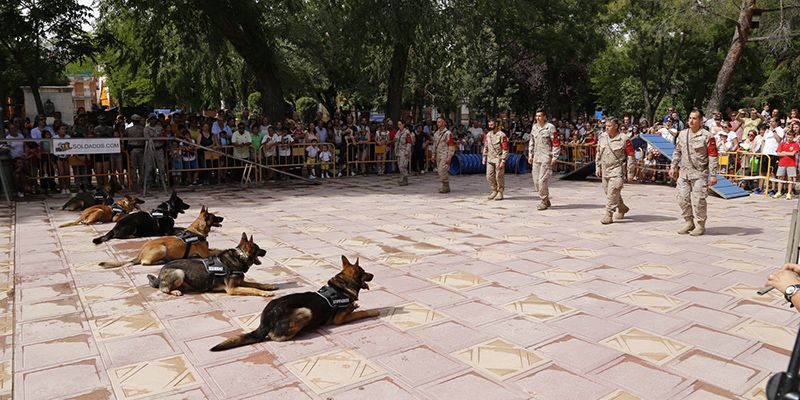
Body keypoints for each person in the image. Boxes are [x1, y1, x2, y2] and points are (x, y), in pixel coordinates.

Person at [668, 110, 719, 236]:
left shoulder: (707, 136)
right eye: (690, 118)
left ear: (701, 120)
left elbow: (713, 155)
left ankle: (700, 225)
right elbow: (677, 151)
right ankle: (689, 221)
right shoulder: (682, 134)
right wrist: (673, 166)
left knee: (698, 201)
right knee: (682, 198)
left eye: (694, 118)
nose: (691, 121)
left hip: (699, 173)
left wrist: (713, 174)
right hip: (684, 172)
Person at [595, 118, 635, 224]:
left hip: (617, 169)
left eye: (609, 126)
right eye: (606, 126)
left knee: (613, 191)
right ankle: (622, 207)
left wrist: (630, 172)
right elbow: (598, 152)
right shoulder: (602, 137)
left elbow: (631, 156)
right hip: (605, 169)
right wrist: (597, 166)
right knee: (609, 192)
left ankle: (609, 214)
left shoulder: (624, 138)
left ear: (616, 126)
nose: (606, 128)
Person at [528, 109, 560, 210]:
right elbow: (531, 141)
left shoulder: (550, 127)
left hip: (546, 157)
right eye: (536, 116)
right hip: (536, 157)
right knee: (536, 181)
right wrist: (530, 154)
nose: (538, 118)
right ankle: (546, 200)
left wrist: (555, 156)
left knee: (542, 181)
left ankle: (543, 201)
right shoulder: (534, 127)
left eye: (540, 116)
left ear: (544, 117)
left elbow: (555, 142)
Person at [482, 118, 509, 201]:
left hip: (498, 158)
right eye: (489, 125)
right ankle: (494, 190)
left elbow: (505, 149)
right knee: (489, 176)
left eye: (491, 125)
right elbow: (486, 146)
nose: (490, 126)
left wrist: (503, 160)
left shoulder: (502, 135)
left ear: (496, 124)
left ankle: (500, 192)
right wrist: (484, 157)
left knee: (499, 176)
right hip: (490, 158)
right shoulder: (488, 135)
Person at [432, 117, 455, 193]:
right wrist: (433, 154)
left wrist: (449, 156)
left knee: (442, 170)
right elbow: (434, 145)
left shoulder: (448, 133)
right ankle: (445, 185)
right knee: (439, 170)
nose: (438, 123)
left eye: (440, 122)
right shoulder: (436, 134)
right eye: (437, 122)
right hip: (438, 154)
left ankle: (445, 185)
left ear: (444, 123)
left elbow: (451, 145)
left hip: (445, 154)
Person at [774, 130, 799, 199]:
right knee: (780, 178)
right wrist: (787, 153)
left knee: (790, 178)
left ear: (793, 137)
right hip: (782, 163)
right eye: (788, 137)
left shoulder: (795, 144)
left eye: (790, 137)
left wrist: (784, 152)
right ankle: (779, 192)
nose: (789, 138)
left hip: (791, 164)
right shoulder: (782, 144)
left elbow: (793, 154)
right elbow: (778, 153)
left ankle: (789, 193)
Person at [395, 120, 413, 186]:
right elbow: (396, 140)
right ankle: (403, 178)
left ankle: (405, 179)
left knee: (403, 166)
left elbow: (409, 143)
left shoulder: (406, 132)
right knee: (400, 166)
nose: (399, 126)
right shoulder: (398, 132)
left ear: (403, 124)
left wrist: (407, 152)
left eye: (400, 124)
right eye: (398, 124)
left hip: (404, 151)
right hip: (398, 151)